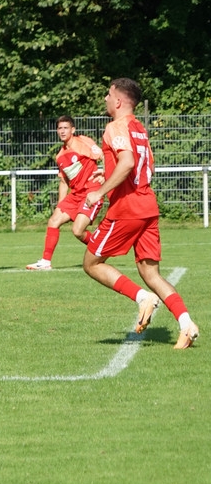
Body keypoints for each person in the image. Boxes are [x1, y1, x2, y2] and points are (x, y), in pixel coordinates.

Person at [82, 78, 199, 349]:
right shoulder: (139, 128)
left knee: (91, 263)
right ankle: (187, 325)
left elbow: (127, 162)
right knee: (151, 273)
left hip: (127, 209)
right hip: (148, 206)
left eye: (108, 94)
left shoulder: (115, 126)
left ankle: (142, 298)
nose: (105, 99)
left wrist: (100, 192)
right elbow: (145, 168)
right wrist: (108, 175)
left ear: (118, 101)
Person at [26, 116, 105, 270]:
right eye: (60, 128)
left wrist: (105, 173)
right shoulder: (60, 156)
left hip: (91, 192)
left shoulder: (83, 142)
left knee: (77, 231)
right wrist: (61, 205)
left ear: (73, 130)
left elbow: (105, 156)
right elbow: (64, 182)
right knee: (53, 221)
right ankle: (45, 262)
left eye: (65, 128)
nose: (62, 131)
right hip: (75, 195)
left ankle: (102, 247)